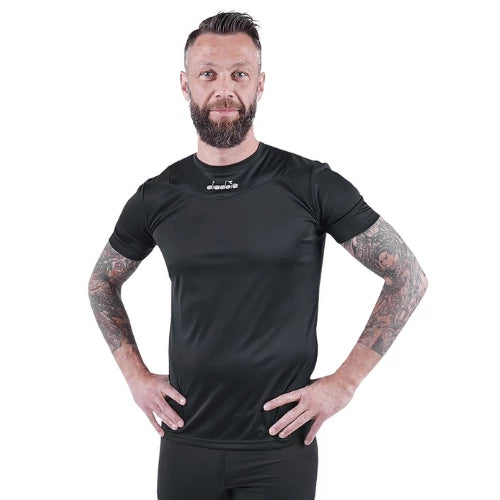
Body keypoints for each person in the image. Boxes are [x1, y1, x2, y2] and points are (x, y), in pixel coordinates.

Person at [88, 11, 428, 500]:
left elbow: (407, 276)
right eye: (208, 74)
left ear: (260, 84)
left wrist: (343, 384)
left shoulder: (310, 184)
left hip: (280, 447)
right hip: (185, 439)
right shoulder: (157, 196)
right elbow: (102, 282)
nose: (224, 89)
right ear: (185, 85)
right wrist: (135, 376)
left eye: (239, 74)